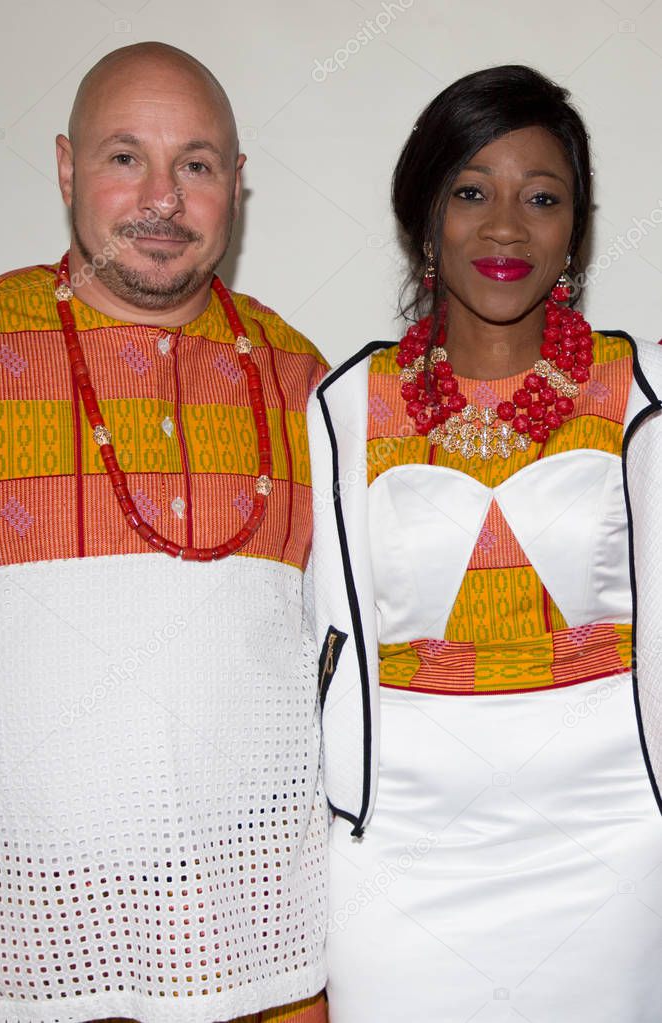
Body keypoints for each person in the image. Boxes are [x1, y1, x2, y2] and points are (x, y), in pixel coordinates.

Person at [0, 42, 329, 1023]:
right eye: (125, 156)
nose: (162, 199)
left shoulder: (305, 381)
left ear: (237, 184)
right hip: (24, 958)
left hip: (262, 951)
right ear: (64, 168)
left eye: (198, 164)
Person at [308, 65, 662, 1021]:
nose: (506, 226)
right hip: (403, 856)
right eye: (472, 191)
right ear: (426, 216)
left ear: (576, 228)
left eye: (541, 198)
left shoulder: (643, 392)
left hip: (615, 844)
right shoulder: (344, 408)